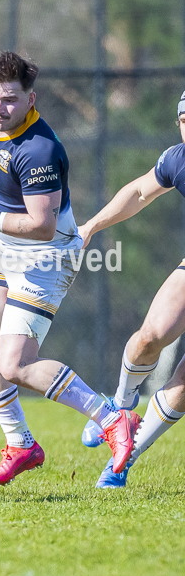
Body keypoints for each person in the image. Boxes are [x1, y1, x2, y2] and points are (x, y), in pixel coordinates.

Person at [0, 51, 139, 488]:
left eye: (10, 99)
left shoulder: (39, 150)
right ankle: (22, 445)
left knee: (14, 364)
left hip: (46, 256)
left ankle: (113, 418)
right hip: (4, 247)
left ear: (31, 98)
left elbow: (42, 226)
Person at [77, 90, 185, 488]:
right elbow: (139, 193)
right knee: (148, 338)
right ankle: (120, 409)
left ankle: (124, 460)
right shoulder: (178, 159)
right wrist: (91, 226)